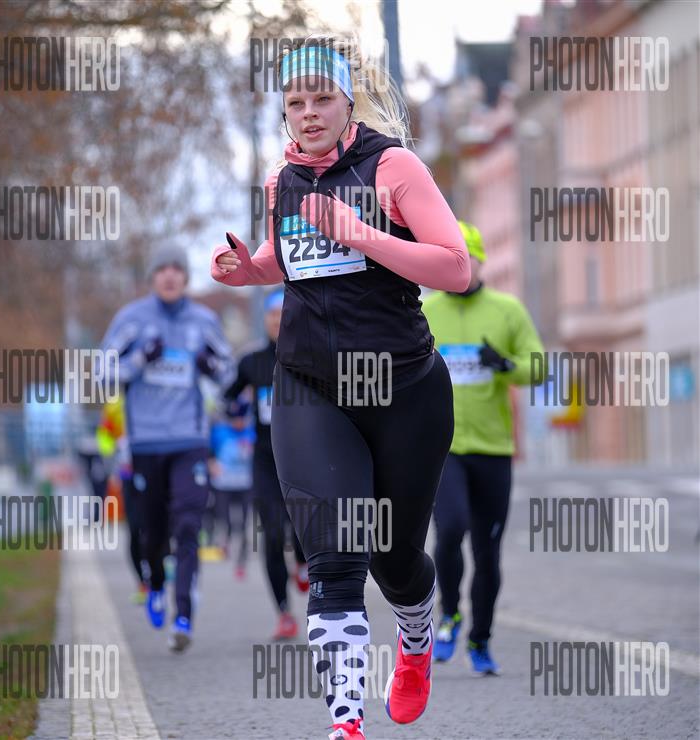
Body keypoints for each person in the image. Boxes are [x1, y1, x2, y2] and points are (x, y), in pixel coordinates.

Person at [211, 37, 469, 740]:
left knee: (394, 559)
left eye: (321, 98)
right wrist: (250, 270)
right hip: (310, 387)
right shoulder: (282, 179)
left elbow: (455, 268)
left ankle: (415, 634)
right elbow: (291, 258)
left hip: (403, 388)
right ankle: (346, 723)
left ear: (348, 102)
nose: (308, 113)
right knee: (333, 556)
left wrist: (361, 233)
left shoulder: (393, 166)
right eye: (295, 102)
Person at [422, 221, 544, 675]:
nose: (458, 268)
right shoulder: (424, 310)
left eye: (464, 259)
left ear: (478, 261)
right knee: (450, 529)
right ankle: (450, 613)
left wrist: (507, 365)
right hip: (444, 447)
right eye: (447, 259)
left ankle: (481, 638)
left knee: (487, 551)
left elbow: (539, 367)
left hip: (493, 449)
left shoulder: (507, 310)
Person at [100, 245, 234, 652]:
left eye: (178, 268)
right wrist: (140, 359)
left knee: (188, 525)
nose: (170, 275)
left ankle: (183, 616)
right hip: (146, 442)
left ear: (186, 277)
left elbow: (229, 375)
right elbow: (103, 373)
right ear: (153, 277)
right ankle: (155, 582)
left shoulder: (204, 321)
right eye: (162, 269)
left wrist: (211, 368)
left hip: (189, 441)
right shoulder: (132, 319)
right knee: (151, 530)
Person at [223, 289, 309, 641]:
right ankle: (284, 613)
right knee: (271, 533)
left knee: (303, 526)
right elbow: (228, 398)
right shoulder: (252, 361)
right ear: (264, 320)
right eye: (272, 314)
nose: (277, 320)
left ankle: (303, 561)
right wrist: (234, 410)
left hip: (304, 457)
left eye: (283, 313)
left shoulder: (310, 356)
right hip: (265, 459)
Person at [96, 395, 148, 603]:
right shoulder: (114, 405)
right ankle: (143, 583)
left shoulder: (157, 394)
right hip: (128, 474)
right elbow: (104, 436)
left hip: (156, 472)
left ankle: (163, 565)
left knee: (157, 525)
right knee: (134, 530)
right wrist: (112, 459)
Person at [207, 398, 254, 578]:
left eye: (241, 418)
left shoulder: (251, 432)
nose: (238, 422)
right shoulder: (220, 432)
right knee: (224, 519)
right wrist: (211, 463)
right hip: (223, 483)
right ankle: (224, 545)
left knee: (244, 522)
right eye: (235, 419)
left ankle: (242, 557)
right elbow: (208, 451)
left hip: (246, 483)